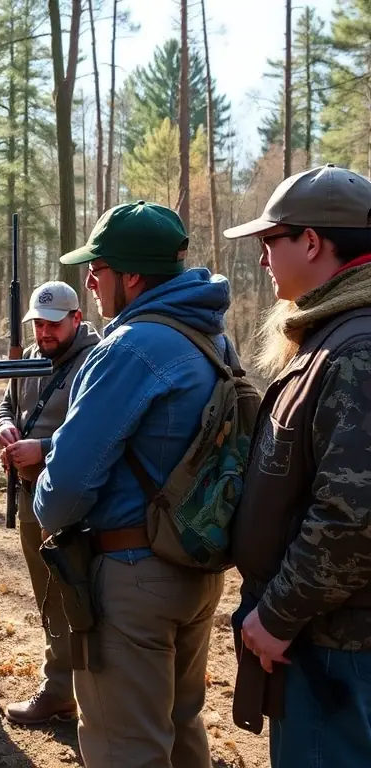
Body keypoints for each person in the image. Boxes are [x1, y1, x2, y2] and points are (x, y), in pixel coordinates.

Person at [33, 201, 231, 767]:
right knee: (181, 725)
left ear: (133, 277)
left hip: (131, 578)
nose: (89, 280)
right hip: (195, 567)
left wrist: (44, 489)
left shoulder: (128, 348)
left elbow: (63, 491)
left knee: (127, 749)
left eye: (99, 268)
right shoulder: (210, 337)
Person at [223, 164, 371, 767]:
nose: (262, 259)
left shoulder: (353, 352)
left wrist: (277, 615)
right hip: (323, 631)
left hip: (337, 643)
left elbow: (352, 516)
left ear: (311, 242)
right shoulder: (332, 338)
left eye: (269, 241)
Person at [0, 280, 100, 726]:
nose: (45, 332)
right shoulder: (32, 361)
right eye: (38, 323)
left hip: (75, 502)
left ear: (76, 318)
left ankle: (81, 694)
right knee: (47, 596)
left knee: (78, 597)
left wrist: (44, 447)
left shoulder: (97, 362)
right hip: (32, 494)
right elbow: (5, 404)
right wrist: (4, 427)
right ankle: (60, 688)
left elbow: (99, 430)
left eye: (54, 323)